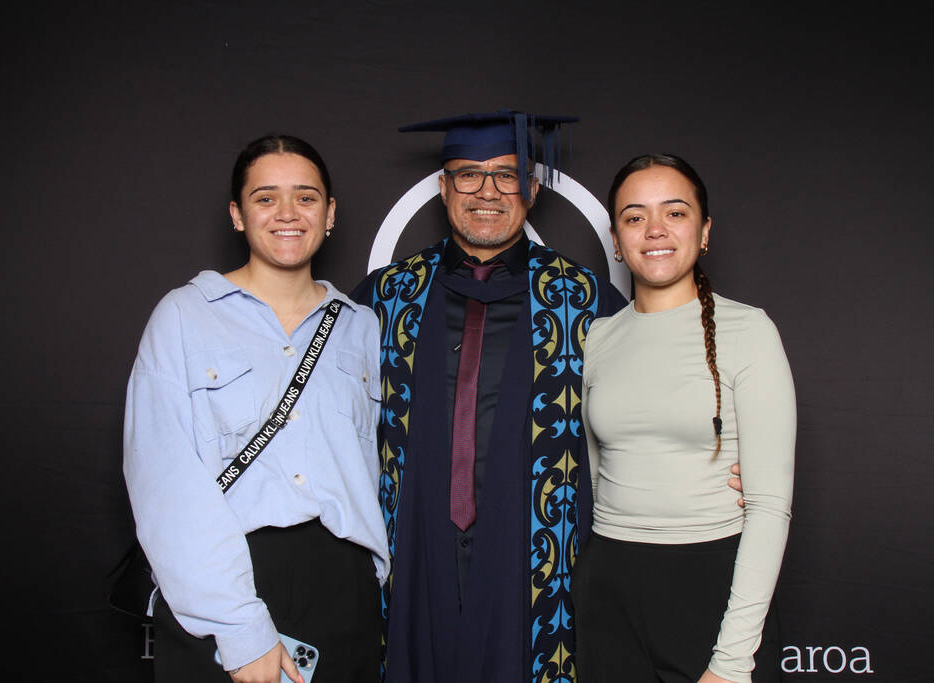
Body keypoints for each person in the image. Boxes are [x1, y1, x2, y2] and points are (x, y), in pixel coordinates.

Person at [351, 110, 627, 683]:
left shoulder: (584, 301)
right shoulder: (385, 299)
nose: (488, 192)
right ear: (444, 187)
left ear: (530, 189)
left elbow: (641, 415)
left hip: (537, 555)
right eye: (469, 175)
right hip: (411, 551)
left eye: (506, 176)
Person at [123, 135, 388, 683]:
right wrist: (240, 624)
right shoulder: (183, 316)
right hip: (224, 580)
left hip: (344, 589)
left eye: (306, 198)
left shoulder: (362, 326)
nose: (287, 214)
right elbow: (163, 479)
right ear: (237, 215)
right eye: (266, 198)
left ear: (330, 213)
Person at [573, 153, 796, 683]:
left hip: (709, 581)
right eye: (634, 216)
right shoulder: (600, 338)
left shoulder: (750, 331)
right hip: (609, 584)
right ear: (616, 238)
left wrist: (733, 658)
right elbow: (599, 473)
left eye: (674, 213)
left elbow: (769, 507)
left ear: (704, 230)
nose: (654, 230)